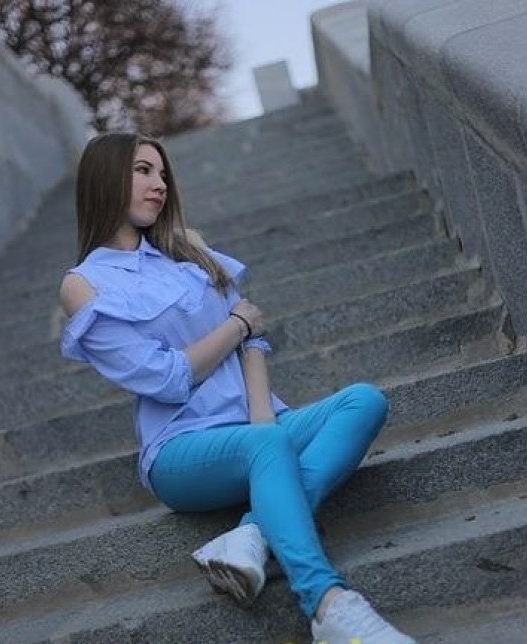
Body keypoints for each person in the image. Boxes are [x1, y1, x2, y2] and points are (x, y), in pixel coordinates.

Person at [59, 131, 417, 644]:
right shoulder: (84, 284)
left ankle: (251, 531)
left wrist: (262, 416)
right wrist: (236, 325)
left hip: (258, 425)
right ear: (105, 178)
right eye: (142, 171)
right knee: (265, 444)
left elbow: (254, 344)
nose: (160, 184)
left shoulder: (187, 245)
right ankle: (327, 604)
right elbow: (166, 377)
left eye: (162, 173)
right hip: (181, 449)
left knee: (364, 401)